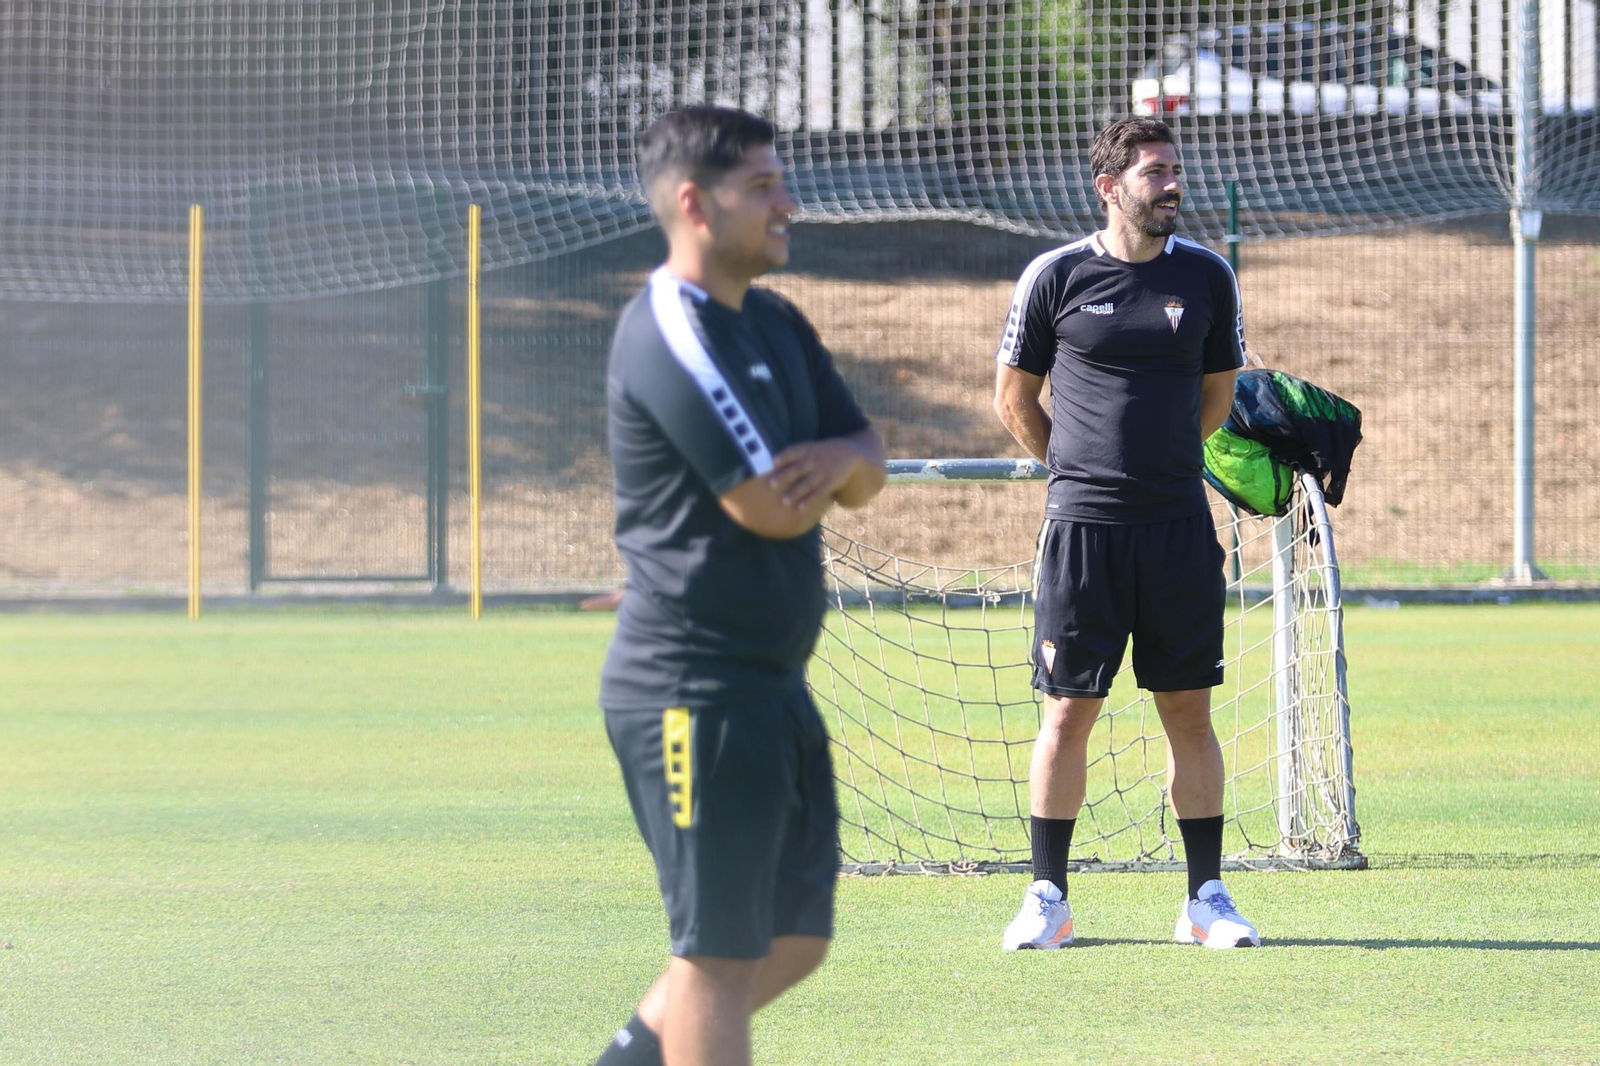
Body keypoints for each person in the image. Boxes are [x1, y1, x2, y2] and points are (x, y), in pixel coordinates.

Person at [591, 106, 887, 1066]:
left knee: (796, 939)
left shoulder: (774, 320)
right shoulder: (667, 332)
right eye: (761, 186)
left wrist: (839, 456)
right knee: (717, 958)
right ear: (694, 203)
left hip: (773, 688)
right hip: (693, 693)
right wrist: (830, 473)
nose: (786, 202)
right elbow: (774, 506)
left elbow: (869, 466)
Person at [992, 117, 1257, 951]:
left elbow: (1216, 396)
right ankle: (1048, 899)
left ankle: (1205, 900)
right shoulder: (1055, 275)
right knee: (1069, 711)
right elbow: (1013, 401)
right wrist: (1077, 473)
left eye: (1176, 170)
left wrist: (1166, 468)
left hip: (1179, 527)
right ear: (1110, 187)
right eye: (1154, 172)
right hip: (1084, 533)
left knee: (1188, 706)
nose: (1172, 184)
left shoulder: (1209, 276)